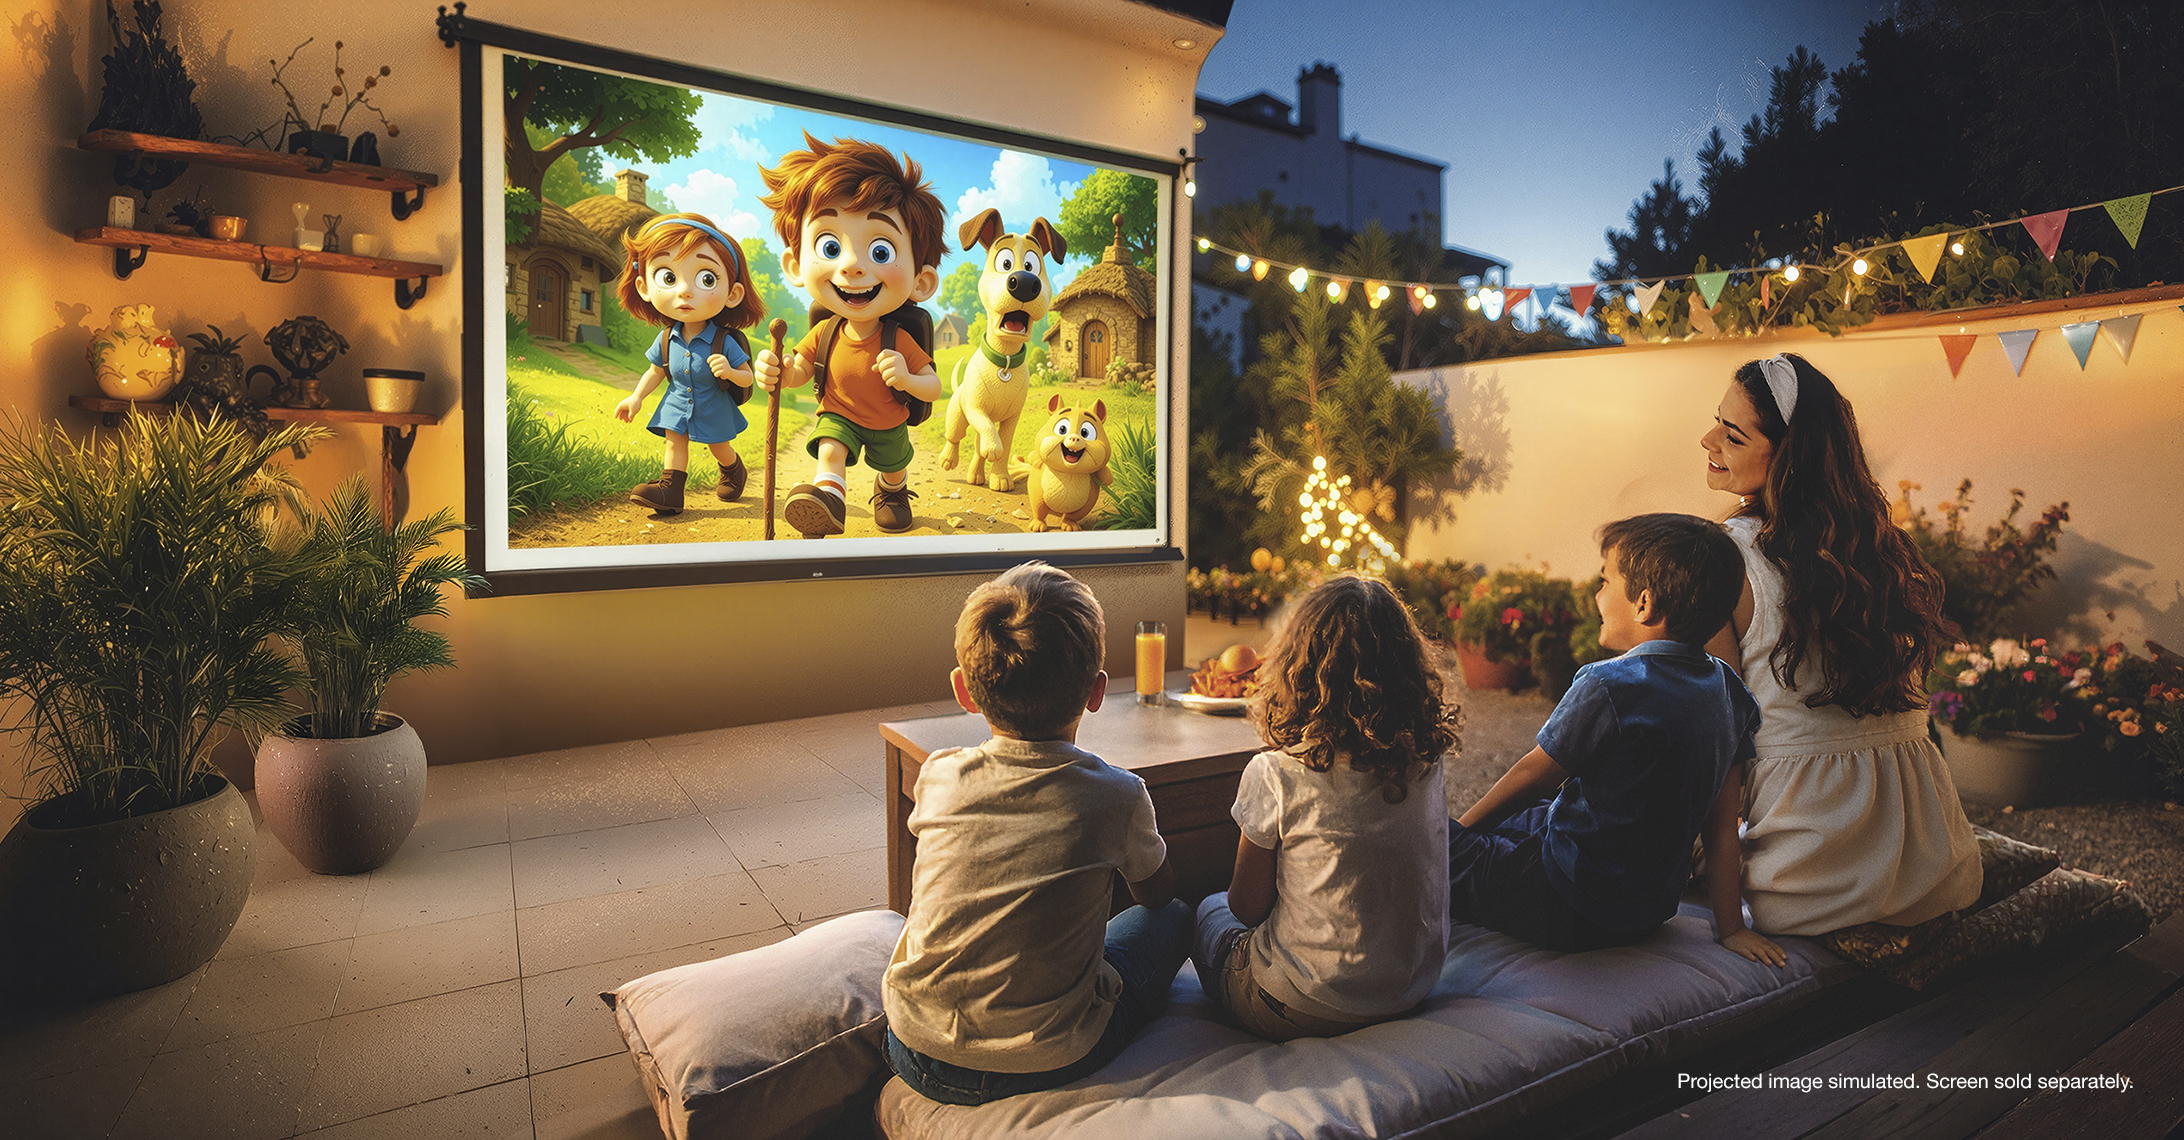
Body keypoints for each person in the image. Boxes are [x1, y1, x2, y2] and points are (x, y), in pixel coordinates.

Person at [882, 562, 1192, 1105]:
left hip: (913, 1047)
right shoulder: (1118, 794)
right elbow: (1157, 896)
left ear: (964, 691)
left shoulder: (938, 774)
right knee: (1177, 918)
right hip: (1051, 1058)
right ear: (1097, 692)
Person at [1701, 353, 1981, 935]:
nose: (1707, 440)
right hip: (1935, 863)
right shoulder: (1878, 547)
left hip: (1811, 882)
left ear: (1788, 459)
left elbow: (1718, 737)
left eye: (1731, 434)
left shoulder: (1723, 555)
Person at [1449, 514, 1782, 963]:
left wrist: (1455, 836)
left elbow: (1534, 776)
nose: (1596, 594)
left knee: (1447, 849)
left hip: (1564, 902)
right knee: (1537, 817)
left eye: (1605, 581)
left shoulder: (1611, 683)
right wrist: (1732, 930)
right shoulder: (1730, 692)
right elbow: (1723, 829)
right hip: (1645, 911)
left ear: (1644, 604)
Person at [1193, 575, 1462, 1041]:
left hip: (1300, 1003)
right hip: (1410, 986)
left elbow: (1246, 906)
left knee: (1204, 910)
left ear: (1296, 668)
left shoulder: (1276, 772)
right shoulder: (1424, 761)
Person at [753, 133, 946, 536]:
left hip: (888, 422)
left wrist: (908, 379)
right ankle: (829, 501)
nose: (853, 266)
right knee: (829, 449)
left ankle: (891, 491)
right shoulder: (824, 332)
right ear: (794, 264)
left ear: (921, 281)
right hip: (839, 415)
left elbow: (933, 387)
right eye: (829, 246)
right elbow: (800, 370)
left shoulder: (897, 338)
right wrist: (779, 373)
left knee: (893, 467)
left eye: (881, 252)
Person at [612, 213, 764, 515]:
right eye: (668, 277)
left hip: (712, 404)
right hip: (677, 401)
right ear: (644, 287)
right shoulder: (667, 338)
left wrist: (731, 371)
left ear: (732, 294)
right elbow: (655, 370)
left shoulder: (724, 341)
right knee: (674, 442)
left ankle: (732, 469)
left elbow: (747, 378)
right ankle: (671, 491)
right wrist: (637, 397)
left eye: (706, 279)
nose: (684, 290)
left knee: (718, 446)